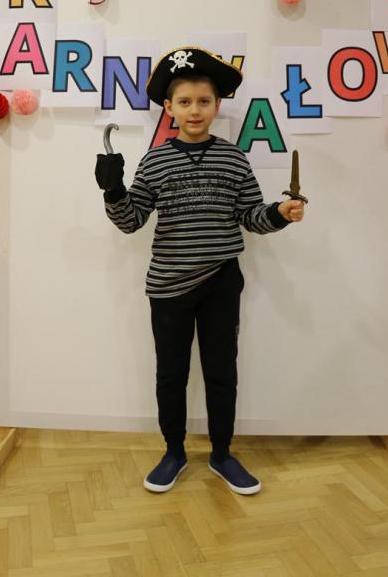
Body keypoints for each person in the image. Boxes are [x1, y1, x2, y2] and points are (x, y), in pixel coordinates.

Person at [95, 46, 304, 495]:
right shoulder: (155, 160)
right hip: (168, 287)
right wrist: (113, 191)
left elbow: (251, 216)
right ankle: (173, 452)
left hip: (220, 283)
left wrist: (280, 213)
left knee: (221, 372)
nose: (195, 110)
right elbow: (132, 220)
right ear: (168, 107)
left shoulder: (233, 158)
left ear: (217, 105)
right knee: (170, 375)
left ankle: (222, 453)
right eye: (185, 101)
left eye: (203, 101)